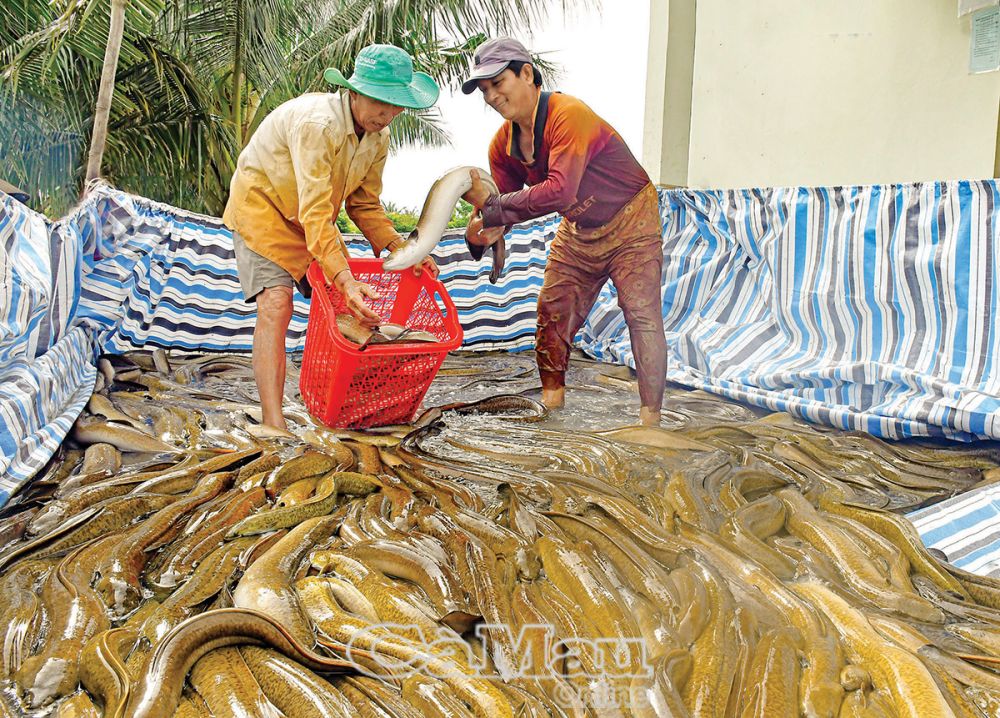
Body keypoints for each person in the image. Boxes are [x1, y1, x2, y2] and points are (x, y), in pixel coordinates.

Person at [223, 44, 440, 431]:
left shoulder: (378, 138)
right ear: (354, 92)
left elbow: (364, 206)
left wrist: (403, 250)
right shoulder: (318, 125)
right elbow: (317, 212)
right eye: (379, 102)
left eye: (396, 106)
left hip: (311, 222)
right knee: (276, 304)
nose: (386, 114)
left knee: (352, 313)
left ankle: (348, 406)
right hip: (263, 210)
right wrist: (344, 277)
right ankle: (274, 424)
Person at [460, 38, 667, 426]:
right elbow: (501, 208)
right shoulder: (501, 147)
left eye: (497, 82)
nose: (490, 95)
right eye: (483, 89)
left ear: (526, 73)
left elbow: (559, 191)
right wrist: (480, 231)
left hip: (631, 219)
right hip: (578, 229)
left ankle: (650, 421)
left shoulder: (568, 115)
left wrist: (492, 210)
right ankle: (551, 403)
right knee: (552, 309)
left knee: (640, 313)